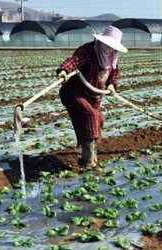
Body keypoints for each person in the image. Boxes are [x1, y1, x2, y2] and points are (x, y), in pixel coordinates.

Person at [56, 25, 128, 172]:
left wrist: (112, 85)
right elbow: (74, 61)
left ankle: (91, 157)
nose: (109, 49)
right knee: (91, 116)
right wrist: (64, 70)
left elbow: (114, 74)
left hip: (94, 97)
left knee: (99, 118)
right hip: (74, 93)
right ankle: (88, 162)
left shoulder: (112, 57)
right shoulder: (88, 51)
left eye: (112, 47)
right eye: (107, 45)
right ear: (101, 42)